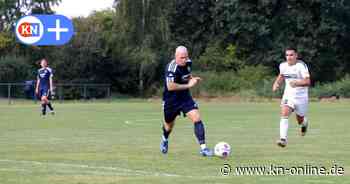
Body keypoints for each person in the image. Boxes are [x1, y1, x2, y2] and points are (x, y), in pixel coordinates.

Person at [160, 46, 213, 156]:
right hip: (171, 101)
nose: (185, 60)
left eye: (186, 57)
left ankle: (203, 148)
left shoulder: (188, 63)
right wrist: (188, 85)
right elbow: (170, 86)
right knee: (168, 126)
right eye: (182, 58)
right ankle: (165, 139)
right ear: (176, 57)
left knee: (197, 118)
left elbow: (187, 75)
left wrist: (192, 79)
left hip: (185, 98)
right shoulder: (171, 68)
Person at [272, 47, 311, 147]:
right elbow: (281, 76)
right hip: (288, 96)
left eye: (291, 55)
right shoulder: (283, 65)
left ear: (296, 56)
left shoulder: (301, 66)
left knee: (300, 119)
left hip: (301, 98)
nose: (289, 57)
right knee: (284, 113)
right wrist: (277, 83)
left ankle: (304, 123)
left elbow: (308, 82)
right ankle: (283, 139)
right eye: (287, 55)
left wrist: (297, 83)